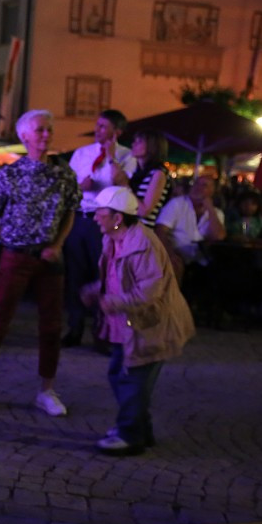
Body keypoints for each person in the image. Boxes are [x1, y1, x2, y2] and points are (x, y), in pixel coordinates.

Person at [0, 109, 80, 415]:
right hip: (15, 253)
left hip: (48, 257)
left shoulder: (63, 174)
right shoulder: (9, 173)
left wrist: (58, 245)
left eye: (49, 129)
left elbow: (70, 213)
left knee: (51, 326)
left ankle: (46, 390)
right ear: (25, 136)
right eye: (39, 130)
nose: (46, 135)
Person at [80, 187, 194, 455]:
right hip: (132, 325)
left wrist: (114, 302)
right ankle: (139, 429)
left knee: (131, 379)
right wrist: (98, 290)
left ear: (117, 217)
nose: (96, 217)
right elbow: (116, 278)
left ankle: (130, 435)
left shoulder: (141, 245)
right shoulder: (114, 239)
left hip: (151, 325)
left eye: (101, 213)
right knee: (121, 375)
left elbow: (149, 291)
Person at [64, 110, 137, 347]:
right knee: (75, 273)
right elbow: (69, 188)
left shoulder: (128, 156)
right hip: (81, 217)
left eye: (104, 127)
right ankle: (74, 327)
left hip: (106, 220)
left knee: (103, 275)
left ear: (118, 132)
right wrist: (80, 186)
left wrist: (112, 157)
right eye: (97, 125)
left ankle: (103, 332)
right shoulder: (82, 153)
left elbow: (123, 184)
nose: (98, 130)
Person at [124, 129, 171, 228]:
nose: (133, 144)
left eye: (139, 141)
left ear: (152, 146)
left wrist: (124, 185)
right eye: (134, 141)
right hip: (129, 229)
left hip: (141, 231)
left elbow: (144, 211)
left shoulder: (159, 173)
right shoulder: (138, 172)